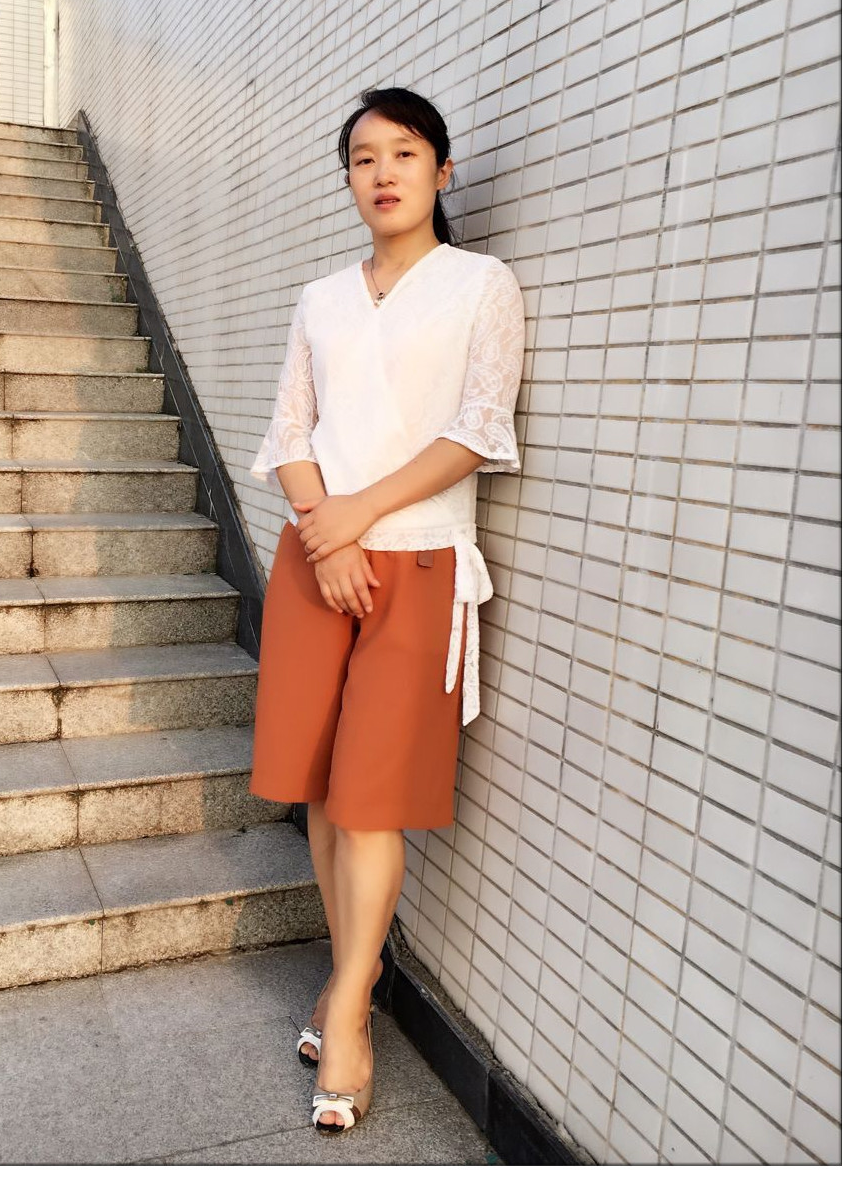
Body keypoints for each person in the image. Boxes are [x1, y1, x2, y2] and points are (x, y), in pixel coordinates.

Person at [247, 86, 526, 1132]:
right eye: (364, 157)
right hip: (318, 563)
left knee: (368, 797)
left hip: (415, 565)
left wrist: (354, 520)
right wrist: (326, 537)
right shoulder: (321, 297)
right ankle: (348, 979)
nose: (383, 172)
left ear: (441, 172)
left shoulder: (480, 284)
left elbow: (478, 429)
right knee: (324, 789)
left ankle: (349, 1013)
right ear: (349, 180)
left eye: (404, 153)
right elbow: (290, 431)